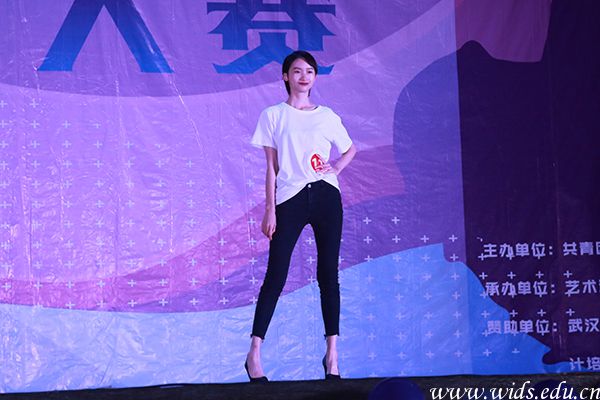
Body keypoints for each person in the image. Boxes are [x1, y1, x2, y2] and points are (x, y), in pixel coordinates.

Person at [245, 50, 357, 382]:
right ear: (285, 76)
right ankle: (254, 352)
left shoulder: (327, 116)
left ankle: (332, 354)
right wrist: (269, 209)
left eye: (309, 71)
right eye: (297, 71)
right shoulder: (273, 115)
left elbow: (350, 148)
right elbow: (271, 168)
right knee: (276, 275)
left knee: (328, 274)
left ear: (315, 77)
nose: (304, 76)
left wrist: (336, 167)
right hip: (289, 198)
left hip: (326, 196)